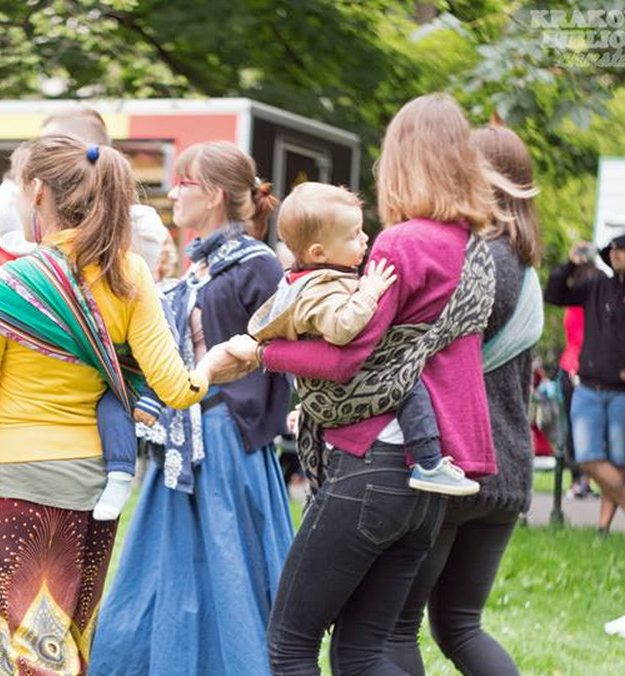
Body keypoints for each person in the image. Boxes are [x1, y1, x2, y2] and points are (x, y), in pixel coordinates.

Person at [0, 135, 236, 675]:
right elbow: (178, 390)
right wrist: (216, 363)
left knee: (15, 647)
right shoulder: (130, 274)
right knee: (67, 639)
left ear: (36, 193)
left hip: (19, 483)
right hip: (94, 483)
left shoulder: (10, 284)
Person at [231, 94, 501, 675]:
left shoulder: (403, 243)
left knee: (290, 645)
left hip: (375, 460)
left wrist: (261, 351)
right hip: (434, 471)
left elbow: (342, 361)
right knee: (360, 652)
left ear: (403, 162)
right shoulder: (474, 249)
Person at [90, 140, 294, 676]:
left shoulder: (257, 264)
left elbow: (280, 356)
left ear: (216, 195)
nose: (173, 193)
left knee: (227, 566)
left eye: (184, 183)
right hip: (180, 437)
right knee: (168, 566)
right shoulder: (199, 267)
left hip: (225, 437)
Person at [384, 122, 546, 676]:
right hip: (508, 469)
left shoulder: (477, 260)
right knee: (460, 625)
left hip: (455, 461)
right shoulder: (524, 264)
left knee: (394, 629)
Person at [249, 181, 479, 496]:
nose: (365, 239)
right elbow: (341, 328)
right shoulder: (317, 289)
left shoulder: (316, 279)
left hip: (326, 388)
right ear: (319, 252)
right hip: (335, 388)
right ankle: (428, 463)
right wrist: (369, 293)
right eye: (354, 235)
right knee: (406, 381)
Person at [545, 232, 625, 535]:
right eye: (612, 250)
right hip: (587, 387)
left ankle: (602, 529)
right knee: (586, 458)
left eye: (622, 250)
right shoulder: (596, 285)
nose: (615, 254)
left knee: (618, 460)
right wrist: (569, 265)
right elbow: (555, 294)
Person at [559, 241, 597, 499]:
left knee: (577, 427)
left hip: (572, 368)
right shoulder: (582, 305)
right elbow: (580, 339)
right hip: (576, 369)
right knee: (581, 427)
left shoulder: (575, 302)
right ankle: (580, 480)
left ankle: (580, 480)